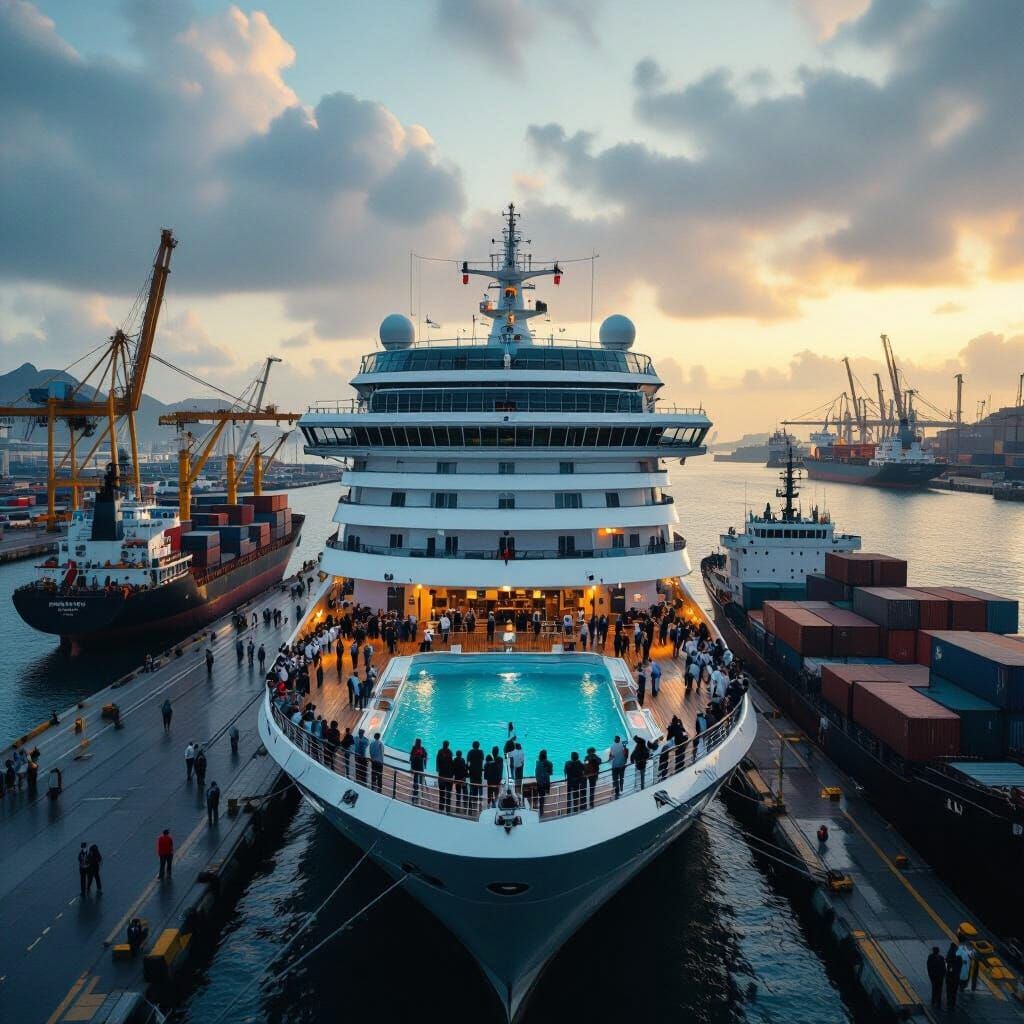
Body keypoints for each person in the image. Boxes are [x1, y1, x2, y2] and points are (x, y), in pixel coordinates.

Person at [436, 740, 454, 813]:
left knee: (442, 792)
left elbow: (437, 762)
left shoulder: (440, 751)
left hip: (442, 775)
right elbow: (451, 763)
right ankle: (447, 809)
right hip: (448, 775)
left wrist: (438, 770)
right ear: (448, 745)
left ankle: (441, 808)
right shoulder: (450, 752)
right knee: (448, 793)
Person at [410, 739, 428, 805]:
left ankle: (416, 793)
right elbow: (425, 757)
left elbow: (411, 757)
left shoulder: (414, 748)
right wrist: (425, 765)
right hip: (420, 767)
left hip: (415, 766)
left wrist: (411, 766)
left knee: (416, 780)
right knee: (420, 780)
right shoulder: (422, 749)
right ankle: (419, 794)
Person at [535, 750, 553, 816]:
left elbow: (536, 773)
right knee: (543, 796)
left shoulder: (537, 763)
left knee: (540, 796)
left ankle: (540, 810)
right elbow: (551, 773)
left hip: (539, 782)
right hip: (546, 782)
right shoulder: (549, 763)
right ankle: (541, 810)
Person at [467, 741, 484, 810]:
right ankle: (479, 801)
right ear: (478, 745)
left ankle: (471, 802)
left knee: (472, 786)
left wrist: (468, 769)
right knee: (479, 785)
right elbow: (482, 761)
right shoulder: (481, 752)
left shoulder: (470, 752)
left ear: (472, 745)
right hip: (479, 771)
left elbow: (467, 762)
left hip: (472, 771)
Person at [945, 944, 963, 1009]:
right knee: (954, 992)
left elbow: (948, 970)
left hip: (950, 979)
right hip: (956, 979)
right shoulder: (959, 959)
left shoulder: (949, 962)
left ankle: (949, 1002)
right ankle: (953, 1003)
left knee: (949, 991)